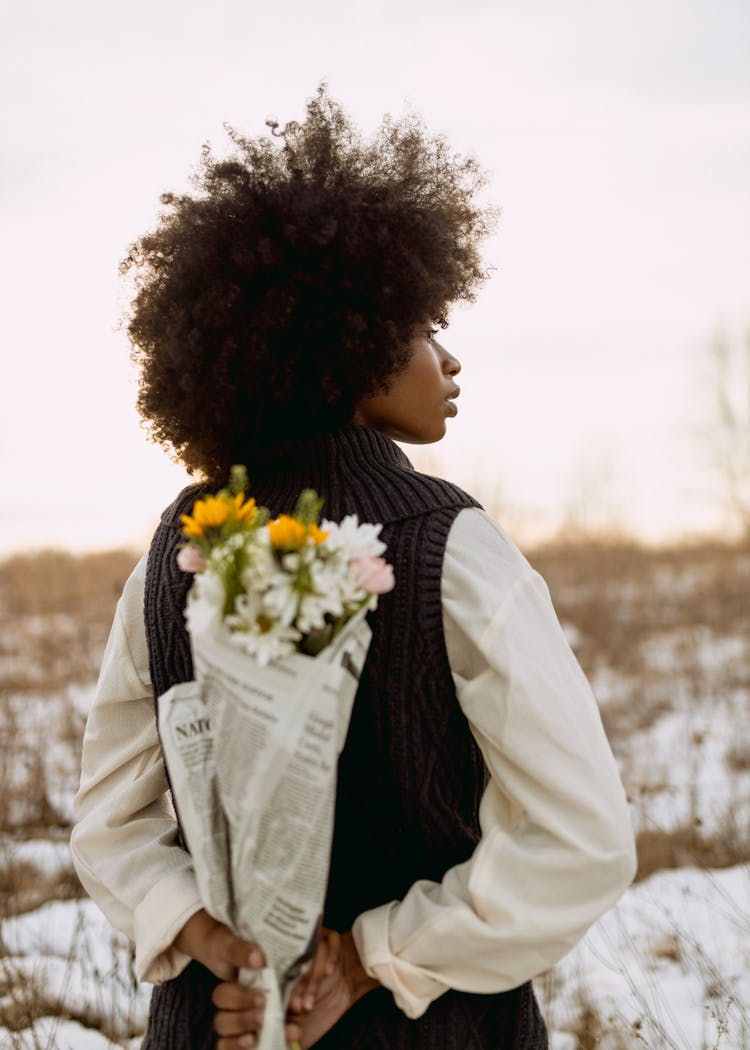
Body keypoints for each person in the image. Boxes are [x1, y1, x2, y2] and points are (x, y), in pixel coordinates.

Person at [71, 86, 637, 1050]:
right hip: (430, 1028)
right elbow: (580, 840)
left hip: (219, 1021)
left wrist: (213, 940)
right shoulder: (450, 543)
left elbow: (106, 824)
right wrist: (372, 958)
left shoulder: (173, 550)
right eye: (423, 328)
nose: (449, 360)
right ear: (348, 344)